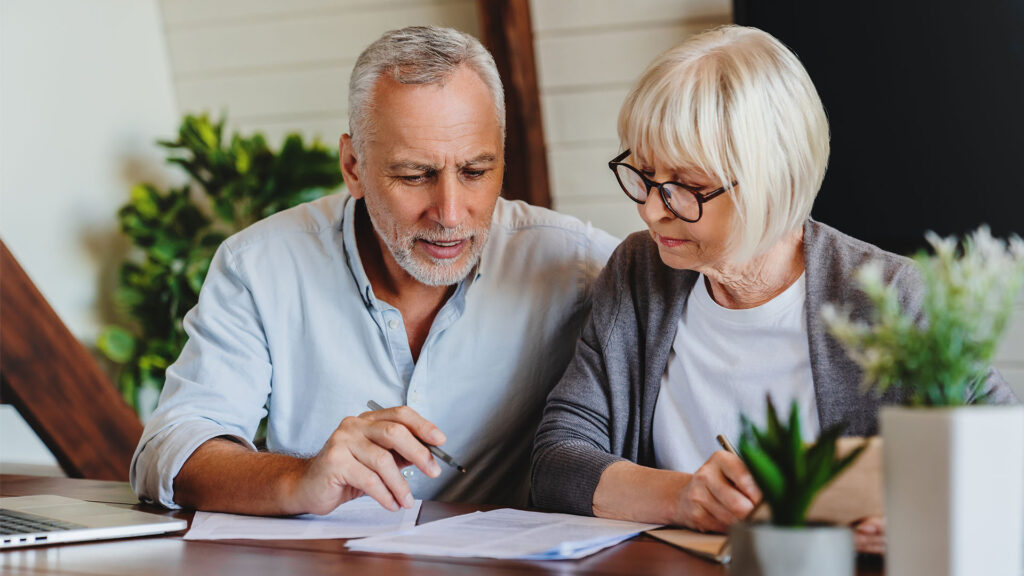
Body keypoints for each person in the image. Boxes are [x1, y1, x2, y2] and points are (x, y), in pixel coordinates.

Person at [530, 25, 1016, 555]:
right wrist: (683, 496)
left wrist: (923, 517)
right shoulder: (638, 272)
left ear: (771, 179)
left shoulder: (893, 297)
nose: (650, 209)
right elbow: (557, 459)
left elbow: (1007, 466)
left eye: (685, 187)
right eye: (644, 175)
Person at [131, 25, 617, 516]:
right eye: (414, 175)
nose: (450, 213)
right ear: (353, 167)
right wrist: (300, 479)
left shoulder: (576, 265)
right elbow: (170, 449)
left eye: (475, 171)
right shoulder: (259, 266)